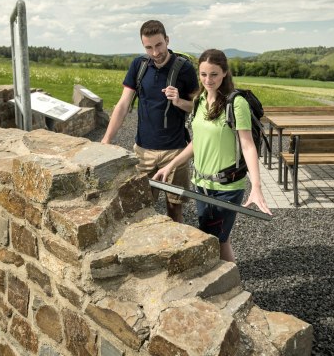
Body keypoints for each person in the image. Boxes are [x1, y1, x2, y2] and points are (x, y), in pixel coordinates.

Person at [153, 49, 272, 262]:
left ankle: (228, 286)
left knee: (216, 238)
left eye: (214, 74)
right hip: (201, 185)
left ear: (225, 73)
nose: (208, 80)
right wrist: (170, 166)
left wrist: (256, 187)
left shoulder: (236, 103)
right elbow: (197, 143)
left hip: (226, 188)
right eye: (204, 74)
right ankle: (229, 285)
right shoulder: (199, 101)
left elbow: (248, 146)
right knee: (216, 238)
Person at [101, 20, 199, 223]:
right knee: (139, 208)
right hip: (143, 152)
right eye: (149, 47)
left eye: (159, 45)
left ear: (167, 40)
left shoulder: (185, 68)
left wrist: (179, 101)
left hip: (175, 152)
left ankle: (176, 251)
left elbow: (198, 109)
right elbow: (122, 105)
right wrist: (106, 140)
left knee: (174, 208)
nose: (155, 52)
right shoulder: (139, 65)